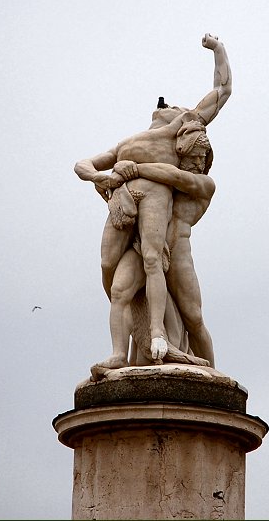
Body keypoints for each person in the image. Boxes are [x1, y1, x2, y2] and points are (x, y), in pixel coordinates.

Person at [74, 34, 231, 361]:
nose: (167, 104)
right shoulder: (127, 143)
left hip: (175, 245)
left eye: (173, 105)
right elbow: (84, 164)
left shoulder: (182, 133)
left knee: (193, 316)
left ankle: (209, 372)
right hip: (138, 228)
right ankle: (130, 353)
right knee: (119, 284)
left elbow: (223, 89)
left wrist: (218, 49)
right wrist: (102, 176)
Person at [90, 128, 216, 375]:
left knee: (194, 318)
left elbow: (176, 177)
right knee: (120, 289)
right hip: (146, 248)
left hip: (178, 254)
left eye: (204, 157)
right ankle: (122, 354)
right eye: (195, 156)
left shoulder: (203, 183)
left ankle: (212, 371)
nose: (199, 162)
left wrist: (131, 168)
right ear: (181, 154)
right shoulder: (160, 182)